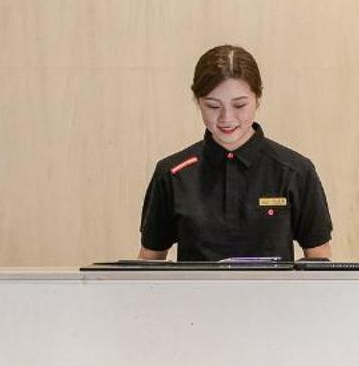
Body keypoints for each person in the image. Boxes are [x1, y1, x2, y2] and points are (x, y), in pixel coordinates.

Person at [138, 44, 333, 261]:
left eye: (239, 105)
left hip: (275, 296)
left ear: (258, 98)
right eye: (213, 106)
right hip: (194, 295)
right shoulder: (172, 174)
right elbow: (150, 261)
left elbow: (319, 259)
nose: (226, 118)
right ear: (197, 102)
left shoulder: (296, 171)